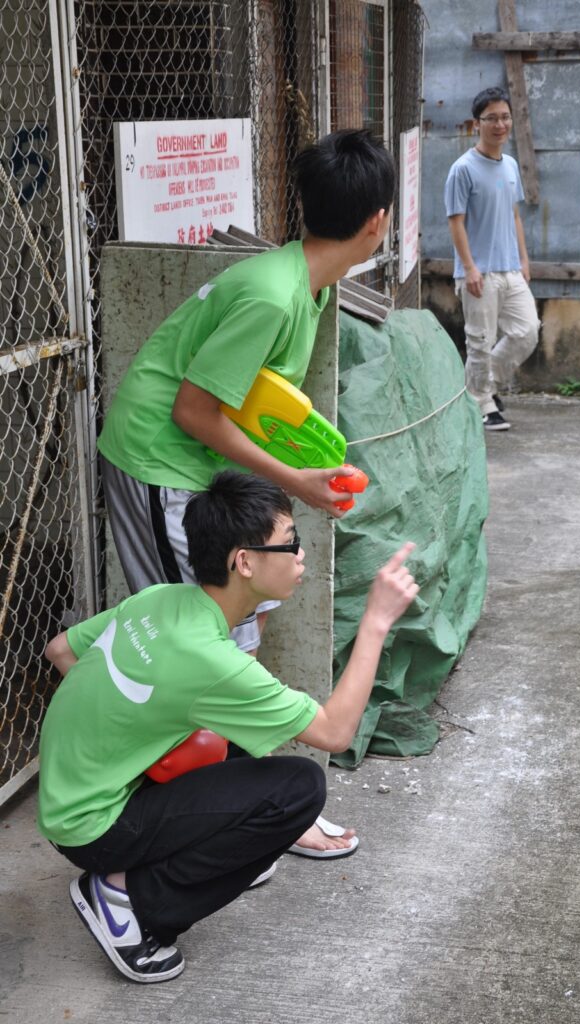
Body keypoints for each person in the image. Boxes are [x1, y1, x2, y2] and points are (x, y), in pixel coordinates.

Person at [97, 128, 395, 854]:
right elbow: (192, 411)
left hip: (195, 470)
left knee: (235, 632)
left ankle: (251, 798)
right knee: (203, 640)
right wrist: (294, 481)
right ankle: (220, 810)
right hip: (161, 463)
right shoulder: (273, 294)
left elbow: (248, 403)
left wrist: (301, 463)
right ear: (376, 222)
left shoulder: (302, 283)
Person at [38, 471, 419, 983]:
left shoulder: (162, 599)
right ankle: (126, 897)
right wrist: (375, 622)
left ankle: (215, 847)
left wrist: (129, 741)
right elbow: (335, 734)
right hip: (95, 827)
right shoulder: (211, 661)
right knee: (298, 789)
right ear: (244, 562)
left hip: (67, 793)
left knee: (231, 732)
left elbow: (60, 650)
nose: (301, 555)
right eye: (291, 544)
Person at [444, 86, 540, 431]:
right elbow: (455, 221)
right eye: (492, 118)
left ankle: (479, 390)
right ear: (476, 124)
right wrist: (469, 267)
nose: (500, 124)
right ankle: (482, 404)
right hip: (478, 272)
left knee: (527, 331)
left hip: (511, 269)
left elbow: (514, 215)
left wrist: (524, 260)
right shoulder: (463, 169)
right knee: (479, 341)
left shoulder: (511, 164)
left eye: (505, 117)